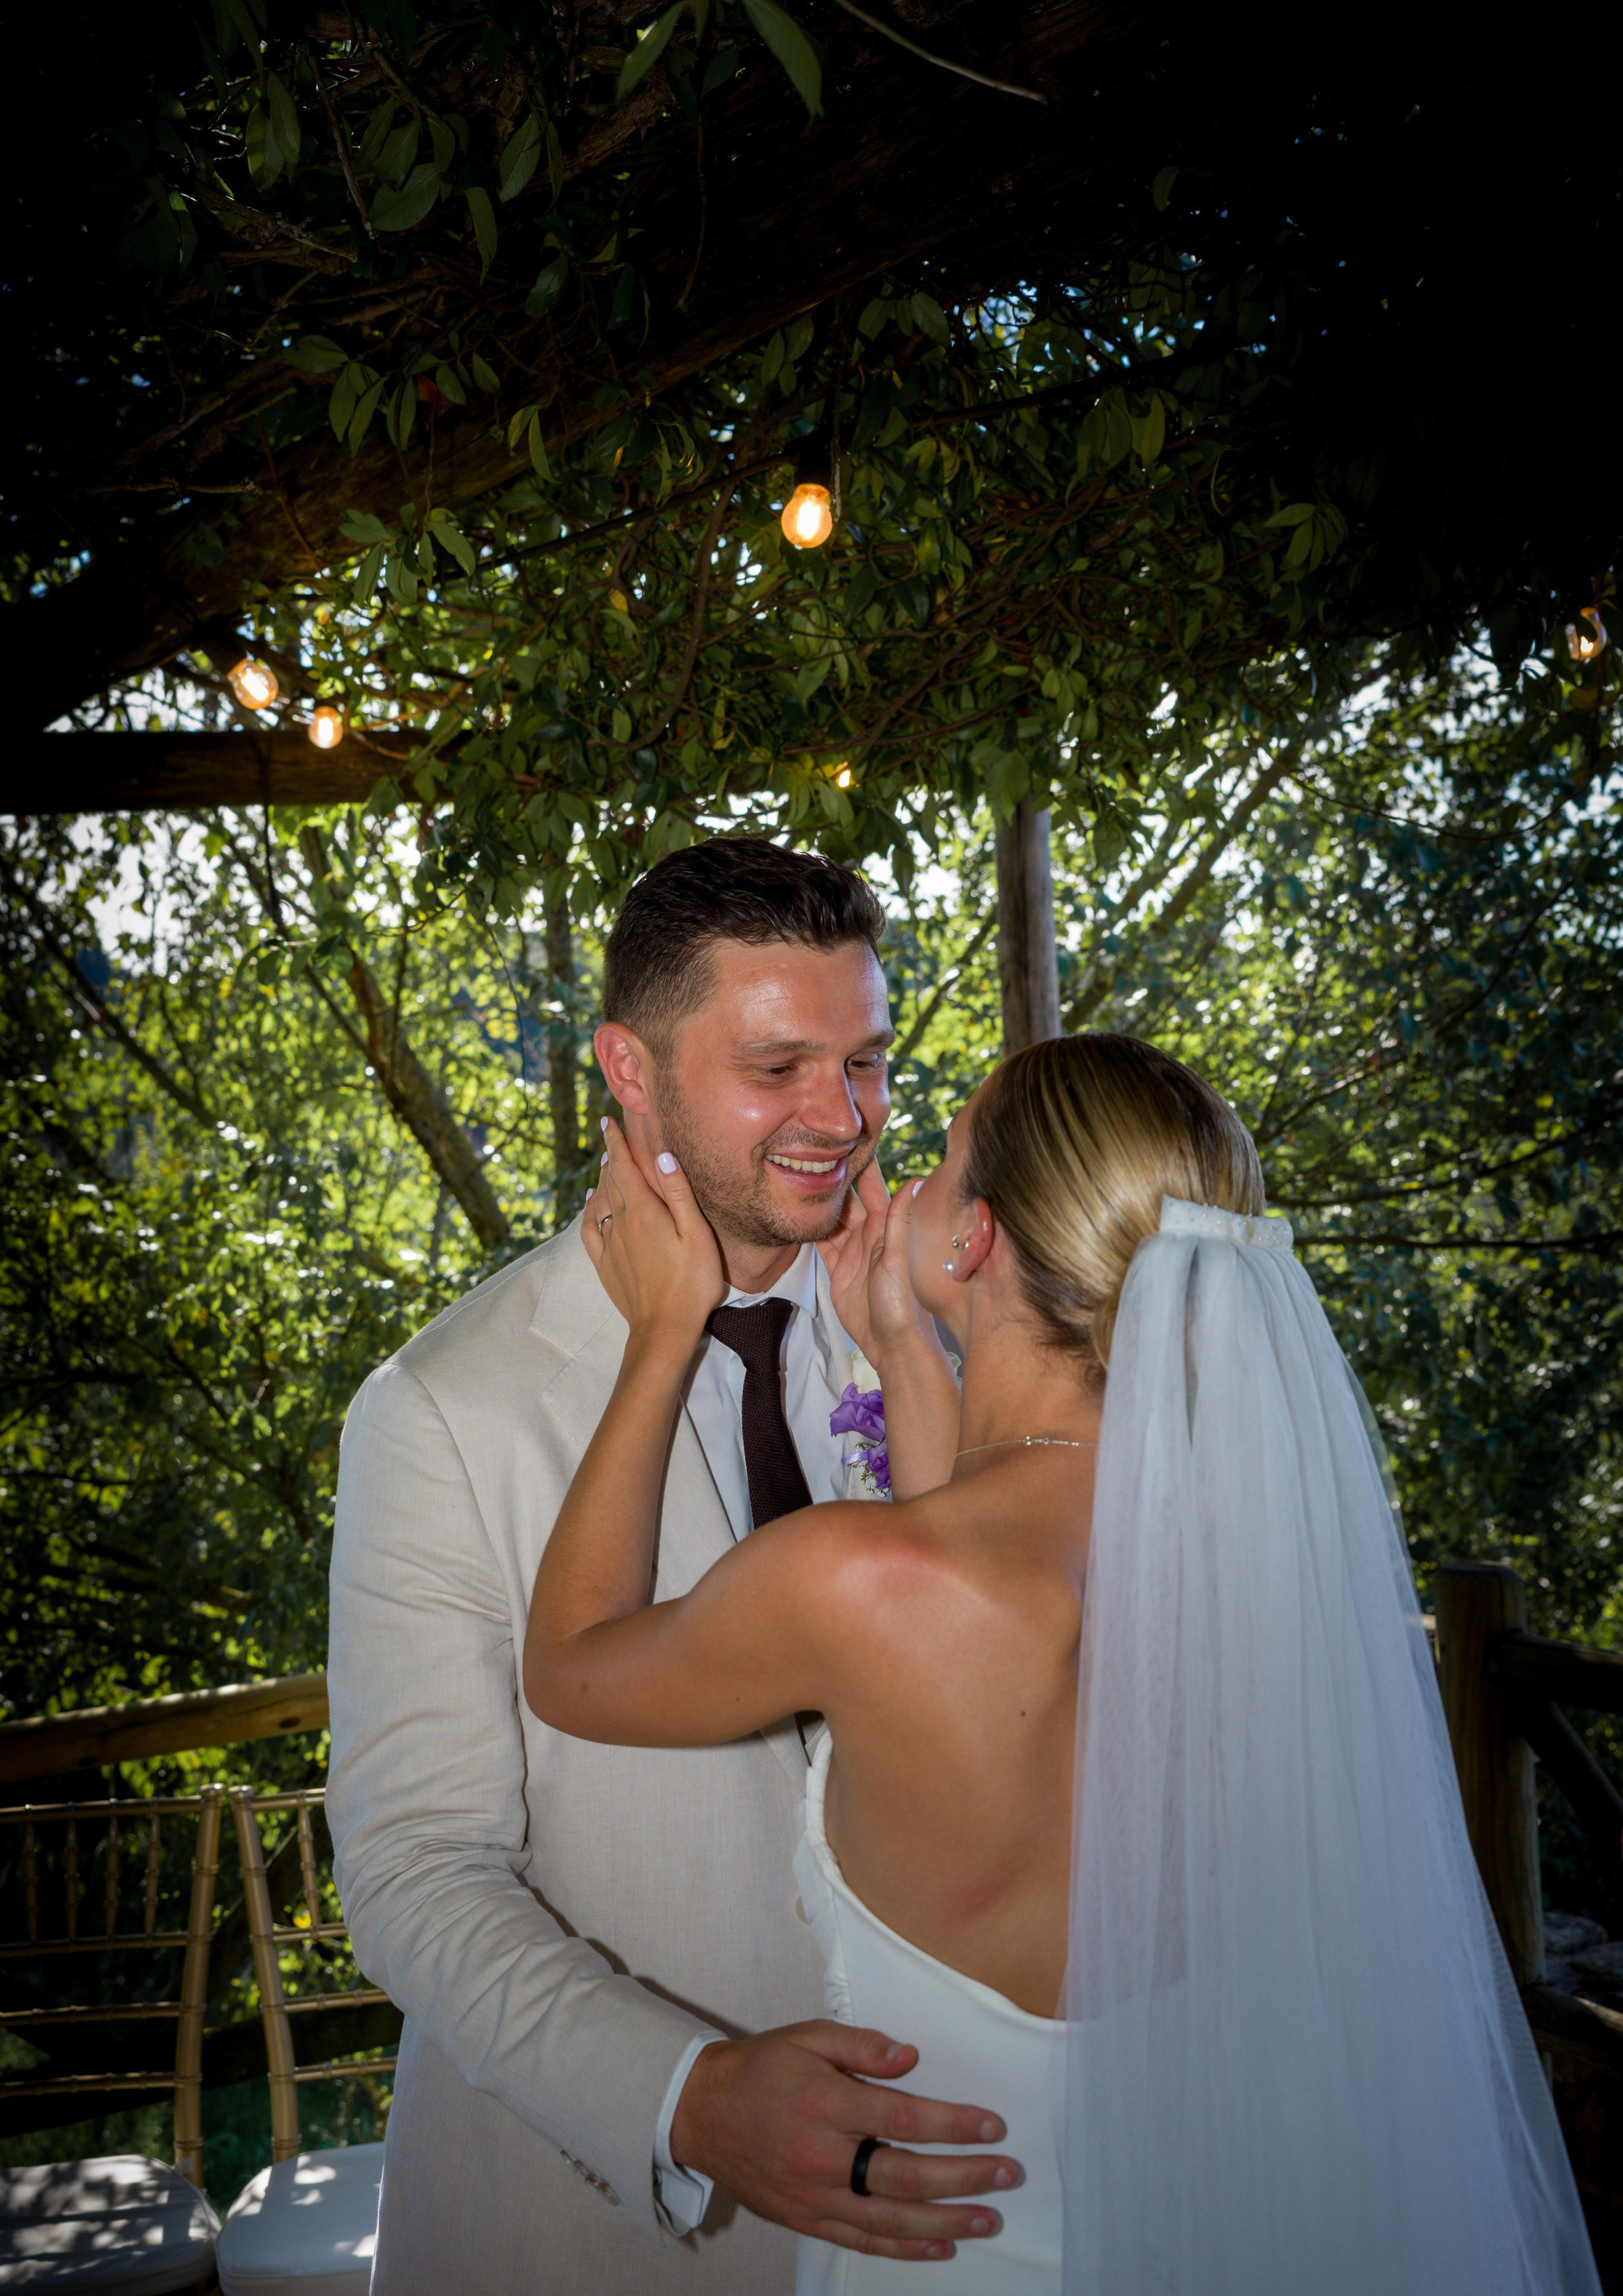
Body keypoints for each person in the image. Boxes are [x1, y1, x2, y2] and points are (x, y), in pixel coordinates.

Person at [524, 1033, 1601, 2295]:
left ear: (975, 1241)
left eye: (938, 1162)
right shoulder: (1249, 1567)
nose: (897, 1174)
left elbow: (572, 1666)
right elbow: (999, 1629)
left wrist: (664, 1332)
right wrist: (912, 1357)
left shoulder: (852, 1583)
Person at [325, 838, 1015, 2296]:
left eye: (868, 1061)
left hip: (939, 2202)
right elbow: (412, 1871)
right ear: (629, 1071)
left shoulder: (950, 1344)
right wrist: (686, 2094)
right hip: (590, 2236)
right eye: (778, 1067)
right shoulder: (442, 1406)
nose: (841, 1117)